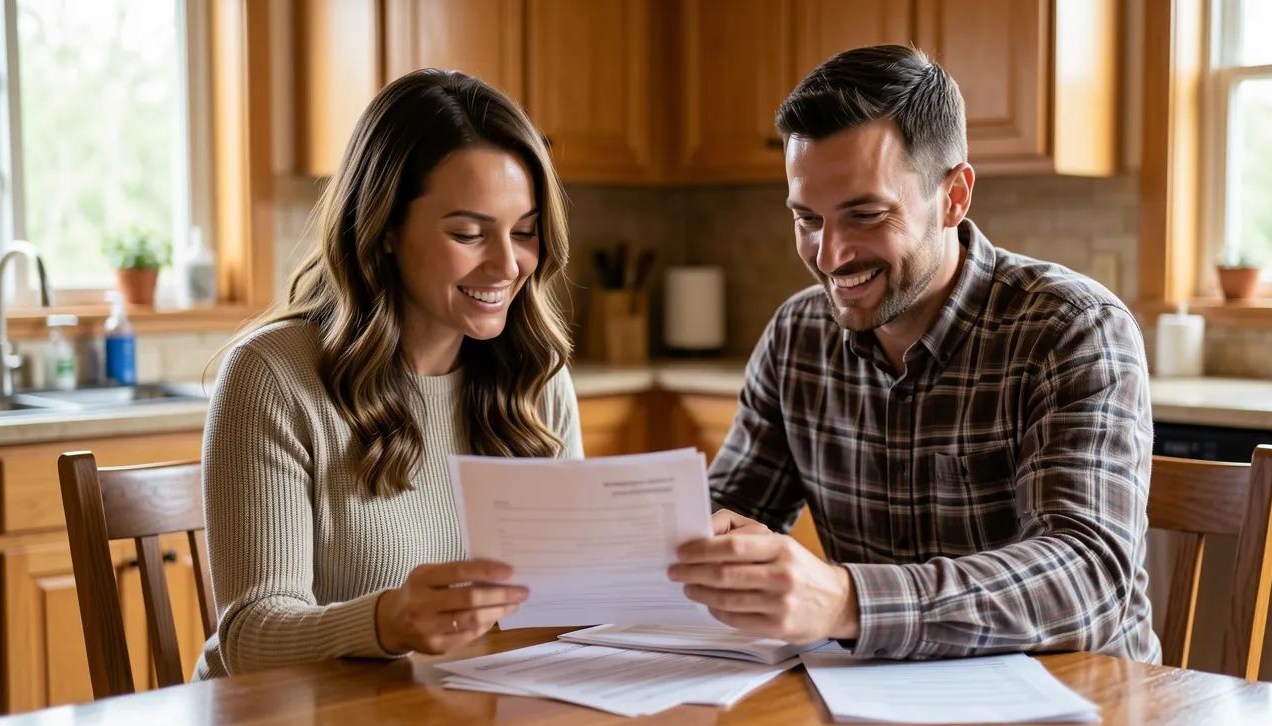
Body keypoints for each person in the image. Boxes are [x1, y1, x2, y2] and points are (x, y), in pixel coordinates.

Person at [669, 45, 1159, 662]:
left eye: (866, 214)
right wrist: (692, 540)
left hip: (1079, 716)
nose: (828, 256)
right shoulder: (799, 336)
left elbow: (1086, 579)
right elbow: (729, 510)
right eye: (807, 219)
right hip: (876, 712)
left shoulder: (1072, 330)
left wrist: (847, 601)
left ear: (954, 196)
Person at [194, 69, 582, 679]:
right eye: (468, 233)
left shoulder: (536, 378)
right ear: (384, 231)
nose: (508, 264)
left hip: (453, 716)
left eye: (524, 232)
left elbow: (566, 601)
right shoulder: (274, 378)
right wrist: (386, 621)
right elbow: (249, 635)